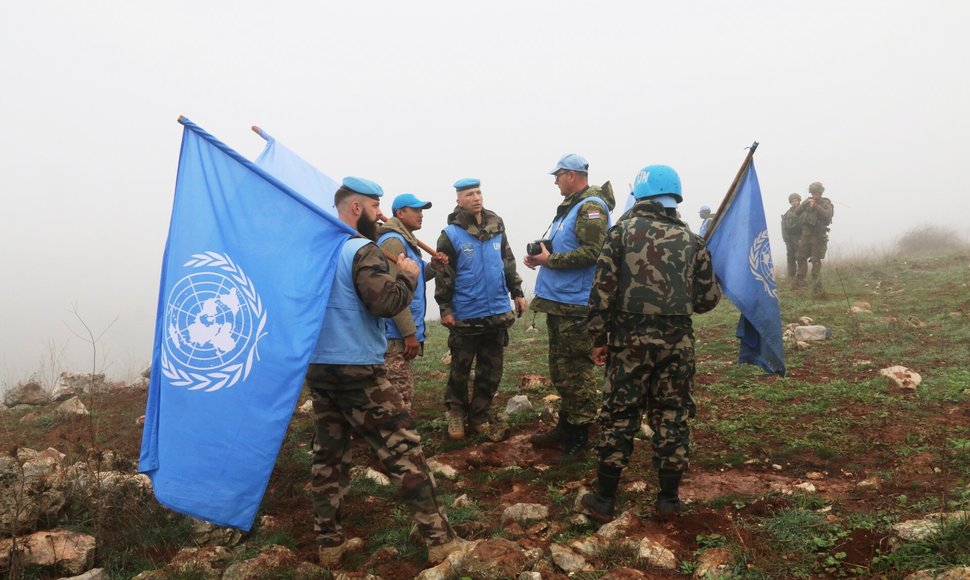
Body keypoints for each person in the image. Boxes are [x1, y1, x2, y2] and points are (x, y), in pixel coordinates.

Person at [305, 177, 468, 568]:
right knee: (403, 449)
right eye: (376, 207)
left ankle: (329, 545)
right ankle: (440, 540)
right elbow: (383, 302)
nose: (380, 216)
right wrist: (409, 276)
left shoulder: (314, 250)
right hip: (359, 367)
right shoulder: (363, 249)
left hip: (318, 366)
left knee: (329, 456)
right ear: (356, 208)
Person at [580, 165, 721, 522]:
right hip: (677, 344)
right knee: (673, 416)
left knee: (619, 415)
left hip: (628, 344)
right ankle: (669, 500)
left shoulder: (620, 234)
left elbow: (601, 294)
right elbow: (707, 300)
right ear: (675, 197)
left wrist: (599, 339)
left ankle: (605, 499)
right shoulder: (693, 240)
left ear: (640, 194)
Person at [524, 153, 615, 463]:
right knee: (562, 372)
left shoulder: (591, 207)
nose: (555, 181)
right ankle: (566, 427)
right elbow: (565, 246)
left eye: (558, 175)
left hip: (577, 305)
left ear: (572, 175)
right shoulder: (571, 207)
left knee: (577, 373)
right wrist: (541, 255)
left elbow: (595, 252)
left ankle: (580, 438)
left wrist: (552, 261)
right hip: (560, 302)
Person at [435, 178, 527, 441]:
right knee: (461, 368)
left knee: (491, 369)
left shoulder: (497, 225)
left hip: (497, 310)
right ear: (458, 200)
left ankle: (479, 415)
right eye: (469, 194)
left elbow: (507, 261)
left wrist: (517, 292)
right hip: (466, 313)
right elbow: (444, 274)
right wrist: (445, 308)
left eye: (478, 192)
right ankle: (455, 413)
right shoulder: (450, 234)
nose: (476, 197)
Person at [377, 193, 447, 413]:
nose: (421, 214)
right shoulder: (394, 241)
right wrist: (409, 333)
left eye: (422, 210)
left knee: (399, 394)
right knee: (398, 400)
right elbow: (392, 291)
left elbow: (411, 277)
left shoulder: (405, 239)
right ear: (400, 213)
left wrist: (433, 267)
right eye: (415, 210)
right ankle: (400, 444)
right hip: (395, 336)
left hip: (401, 333)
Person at [793, 181, 834, 296]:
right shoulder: (807, 201)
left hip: (818, 235)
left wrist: (816, 206)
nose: (816, 195)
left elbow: (827, 215)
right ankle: (800, 281)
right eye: (814, 193)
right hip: (806, 235)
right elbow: (796, 212)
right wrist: (805, 203)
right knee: (801, 257)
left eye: (818, 193)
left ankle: (816, 283)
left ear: (821, 193)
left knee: (815, 260)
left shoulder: (826, 203)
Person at [781, 193, 802, 280]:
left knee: (800, 256)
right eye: (792, 201)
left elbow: (804, 226)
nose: (794, 202)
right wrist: (786, 240)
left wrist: (802, 238)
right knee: (790, 257)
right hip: (789, 239)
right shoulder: (787, 214)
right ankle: (792, 276)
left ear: (799, 201)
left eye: (796, 200)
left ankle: (801, 276)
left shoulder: (802, 211)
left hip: (799, 238)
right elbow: (783, 227)